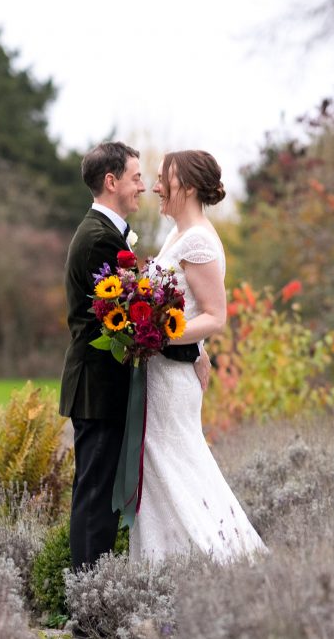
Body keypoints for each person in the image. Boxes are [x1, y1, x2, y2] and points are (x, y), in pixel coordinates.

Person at [59, 141, 206, 573]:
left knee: (99, 493)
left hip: (103, 387)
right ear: (112, 181)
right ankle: (89, 604)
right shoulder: (98, 240)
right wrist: (190, 348)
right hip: (98, 388)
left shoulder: (106, 234)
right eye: (137, 177)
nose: (145, 186)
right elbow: (126, 323)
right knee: (95, 495)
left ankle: (92, 597)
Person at [130, 149, 267, 563]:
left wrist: (159, 337)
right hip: (161, 372)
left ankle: (219, 557)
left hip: (171, 378)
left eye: (162, 179)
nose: (155, 187)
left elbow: (215, 316)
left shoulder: (199, 241)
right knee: (158, 472)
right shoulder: (177, 235)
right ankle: (165, 567)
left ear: (186, 186)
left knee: (177, 466)